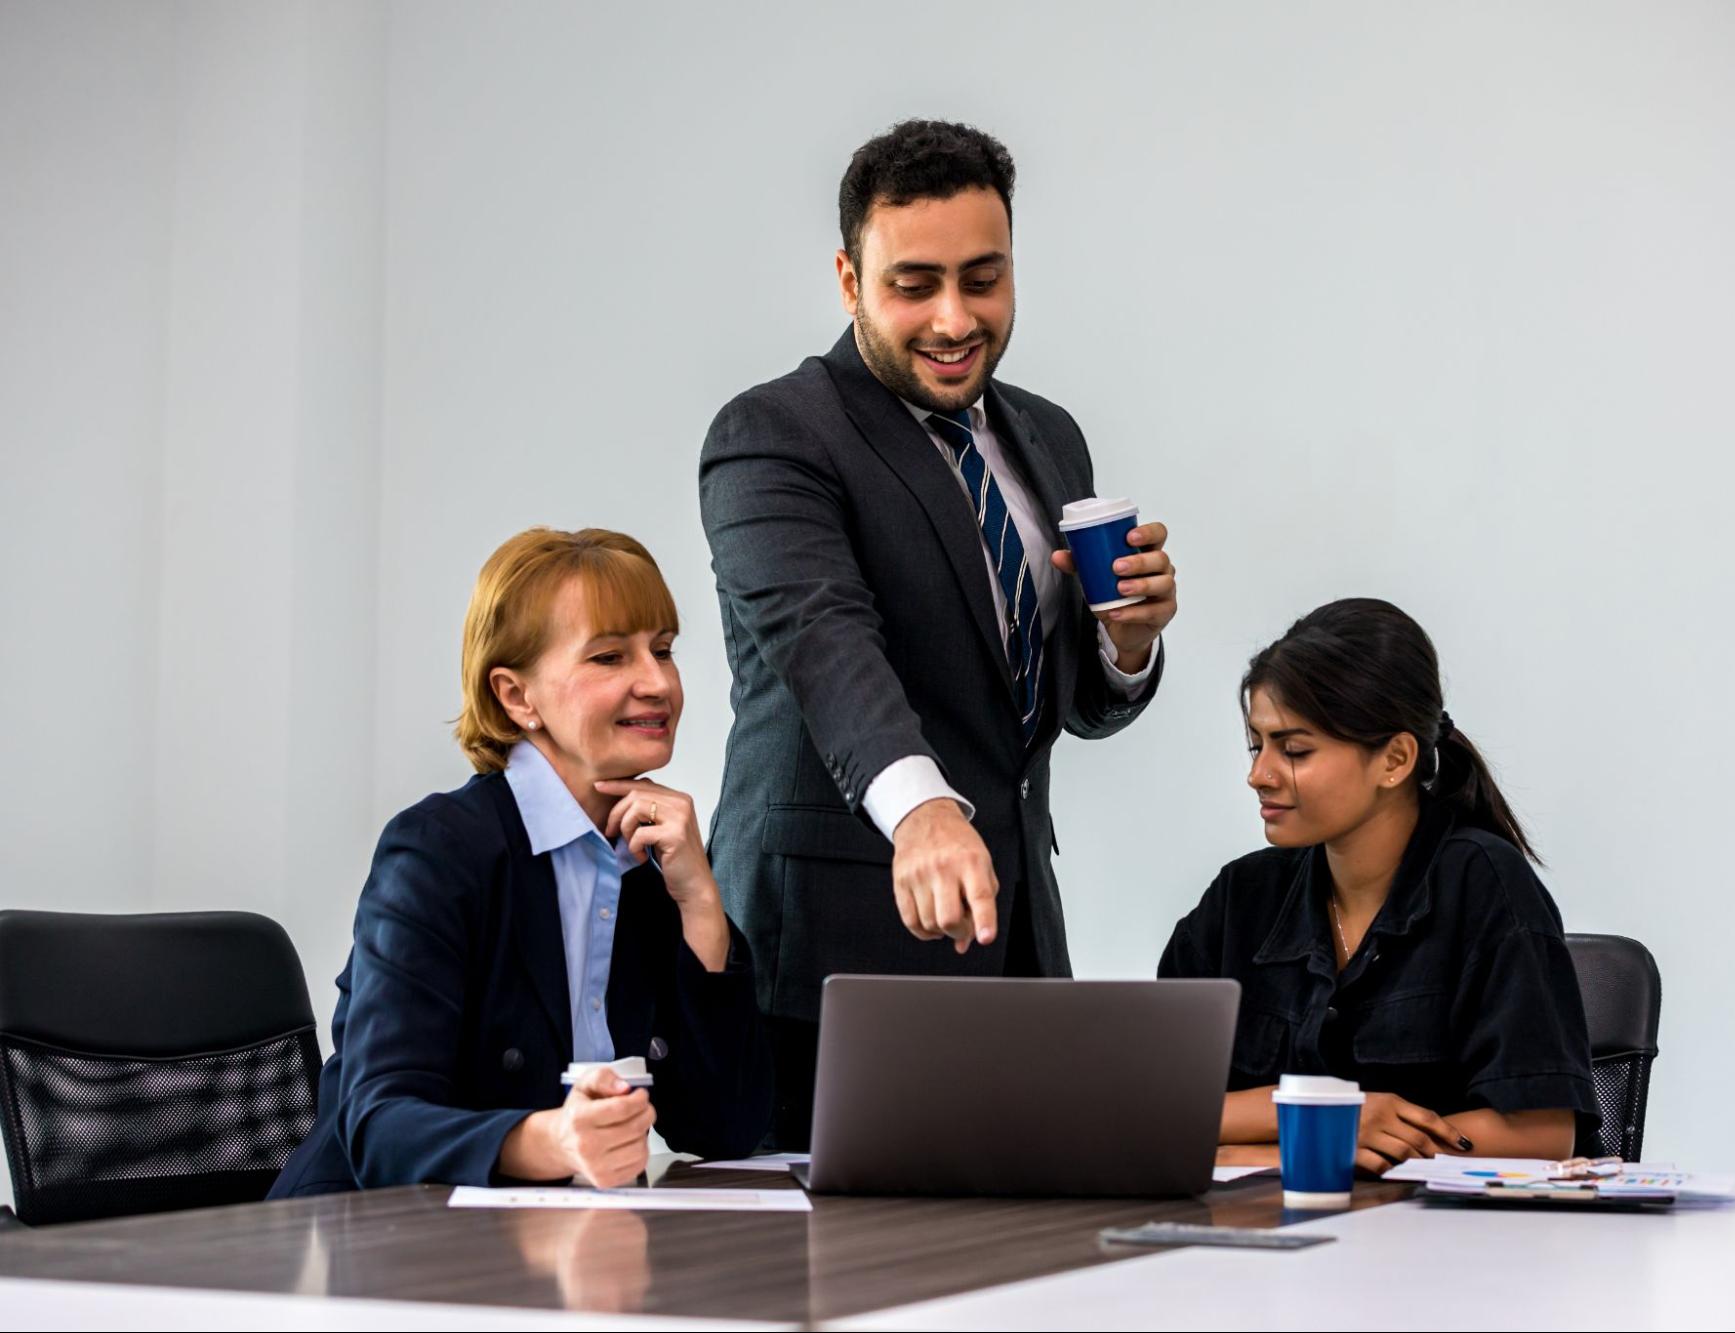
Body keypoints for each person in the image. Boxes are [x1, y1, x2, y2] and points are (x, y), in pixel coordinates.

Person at [700, 119, 1179, 1146]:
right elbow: (824, 639)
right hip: (826, 970)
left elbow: (1051, 710)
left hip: (1012, 947)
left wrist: (1124, 645)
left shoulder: (1047, 434)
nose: (955, 318)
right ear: (848, 278)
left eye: (983, 277)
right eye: (914, 283)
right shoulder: (773, 434)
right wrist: (920, 812)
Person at [270, 528, 771, 1197]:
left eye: (662, 650)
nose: (657, 682)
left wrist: (702, 904)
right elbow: (379, 1125)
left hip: (545, 1247)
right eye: (609, 656)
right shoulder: (437, 851)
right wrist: (553, 1139)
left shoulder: (652, 865)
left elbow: (724, 1129)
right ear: (516, 696)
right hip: (372, 1245)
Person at [1159, 599, 1595, 1174]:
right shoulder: (1241, 896)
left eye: (1294, 750)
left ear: (1394, 759)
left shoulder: (1483, 882)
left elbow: (1540, 1134)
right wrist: (1320, 1121)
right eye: (1256, 745)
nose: (1258, 774)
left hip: (1445, 1249)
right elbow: (1151, 1108)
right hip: (1258, 1240)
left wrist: (1280, 1147)